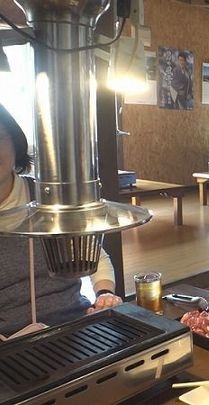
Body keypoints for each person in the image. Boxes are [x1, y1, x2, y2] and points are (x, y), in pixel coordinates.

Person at [0, 104, 122, 338]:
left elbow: (95, 255)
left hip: (75, 324)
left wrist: (104, 295)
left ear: (15, 141)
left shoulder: (48, 198)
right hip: (9, 343)